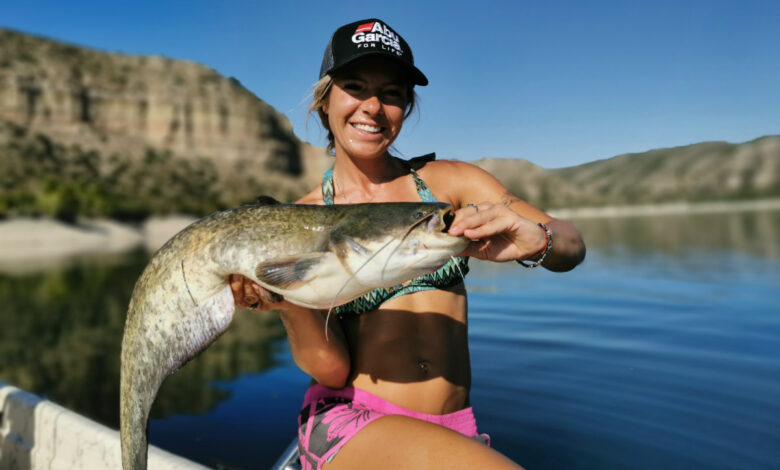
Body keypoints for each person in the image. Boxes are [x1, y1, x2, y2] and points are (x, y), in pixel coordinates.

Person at [231, 18, 585, 470]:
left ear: (406, 105)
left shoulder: (448, 185)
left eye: (392, 93)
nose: (373, 107)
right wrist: (289, 302)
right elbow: (332, 370)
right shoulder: (301, 220)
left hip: (455, 429)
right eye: (355, 86)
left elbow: (572, 246)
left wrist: (540, 242)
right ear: (325, 101)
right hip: (350, 423)